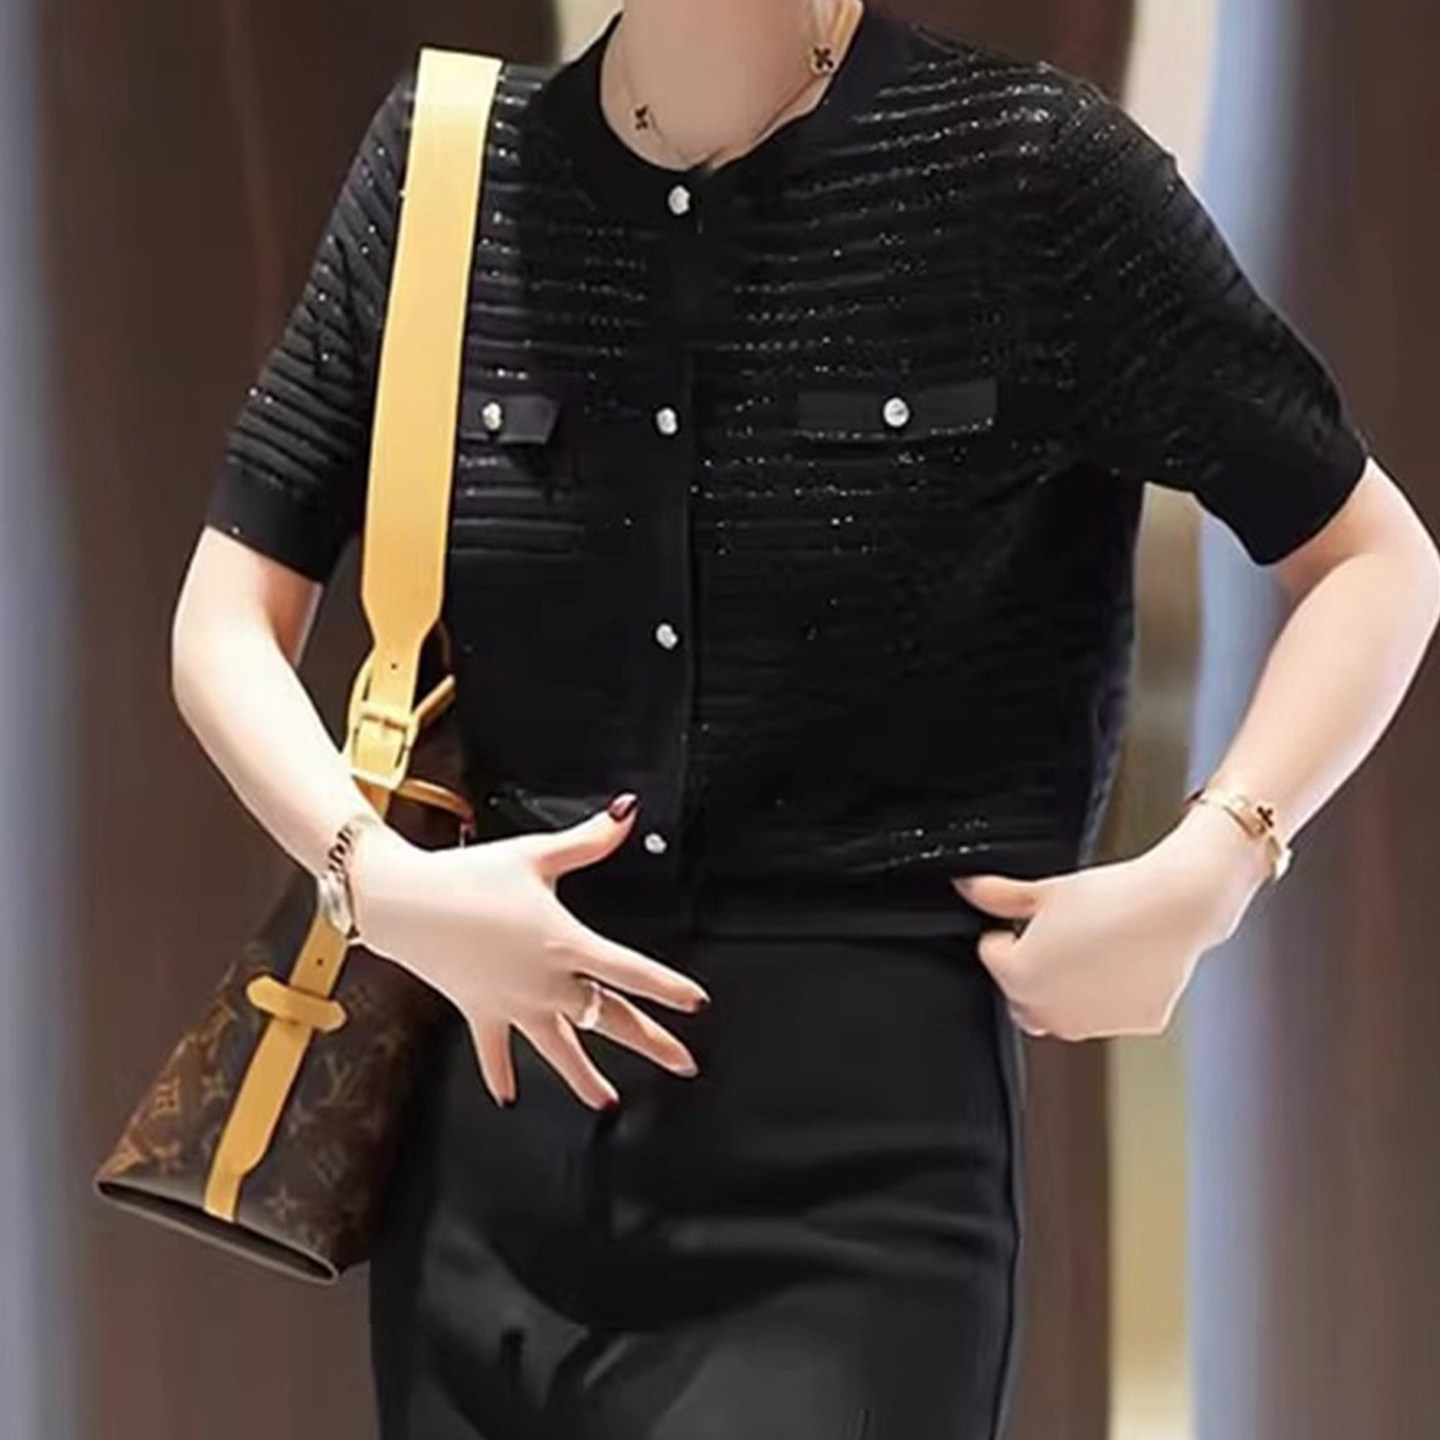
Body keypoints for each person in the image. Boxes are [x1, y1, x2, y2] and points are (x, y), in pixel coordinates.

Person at [174, 1, 1440, 1436]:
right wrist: (382, 882)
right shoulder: (448, 168)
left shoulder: (1024, 169)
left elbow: (1373, 561)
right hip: (489, 1150)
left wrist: (1213, 866)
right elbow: (224, 620)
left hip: (859, 1180)